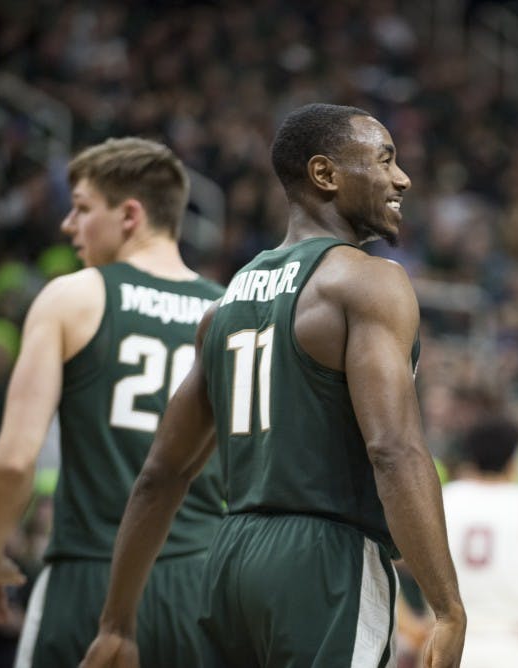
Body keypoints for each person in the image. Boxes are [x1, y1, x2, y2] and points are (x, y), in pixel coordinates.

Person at [80, 103, 466, 667]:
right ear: (325, 175)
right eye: (384, 161)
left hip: (232, 560)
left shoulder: (225, 304)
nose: (401, 177)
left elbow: (160, 475)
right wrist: (447, 606)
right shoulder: (367, 281)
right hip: (327, 562)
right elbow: (394, 450)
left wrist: (116, 624)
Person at [0, 137, 226, 667]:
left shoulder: (74, 295)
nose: (69, 224)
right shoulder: (231, 311)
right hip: (201, 591)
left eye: (84, 208)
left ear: (130, 214)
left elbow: (17, 459)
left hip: (89, 577)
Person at [443, 417, 518, 667]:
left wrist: (412, 627)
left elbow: (390, 560)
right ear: (514, 461)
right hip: (513, 646)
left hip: (449, 646)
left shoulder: (444, 499)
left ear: (470, 459)